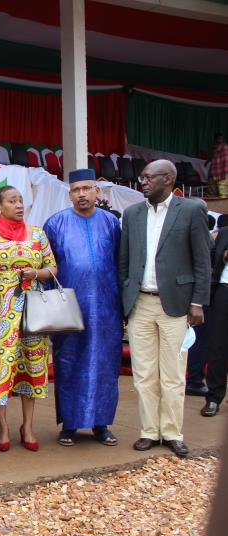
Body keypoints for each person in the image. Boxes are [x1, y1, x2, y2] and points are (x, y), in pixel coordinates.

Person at [119, 159, 211, 457]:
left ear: (168, 179)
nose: (142, 182)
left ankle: (172, 433)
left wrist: (197, 302)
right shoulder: (132, 213)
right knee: (144, 373)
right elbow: (124, 262)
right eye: (142, 177)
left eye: (148, 177)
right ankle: (149, 431)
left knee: (172, 374)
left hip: (177, 304)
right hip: (140, 303)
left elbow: (202, 261)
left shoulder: (191, 209)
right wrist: (126, 295)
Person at [0, 185, 57, 451]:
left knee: (31, 365)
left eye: (21, 201)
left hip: (32, 310)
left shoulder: (38, 235)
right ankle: (4, 425)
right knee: (1, 366)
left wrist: (36, 273)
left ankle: (28, 426)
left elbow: (52, 267)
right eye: (13, 201)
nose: (19, 205)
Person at [43, 169, 122, 446]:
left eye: (87, 188)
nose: (82, 194)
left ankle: (102, 424)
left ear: (97, 192)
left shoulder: (111, 223)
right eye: (76, 190)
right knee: (69, 362)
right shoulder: (55, 223)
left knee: (105, 364)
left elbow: (120, 264)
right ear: (70, 194)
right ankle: (69, 424)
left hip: (106, 307)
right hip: (69, 307)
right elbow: (48, 268)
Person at [202, 225, 228, 416]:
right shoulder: (223, 233)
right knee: (218, 346)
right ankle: (213, 397)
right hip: (223, 290)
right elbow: (209, 260)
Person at [207, 133, 227, 198]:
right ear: (215, 139)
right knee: (212, 194)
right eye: (218, 138)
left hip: (222, 172)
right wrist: (206, 162)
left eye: (221, 138)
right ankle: (213, 207)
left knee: (223, 194)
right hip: (213, 172)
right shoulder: (213, 147)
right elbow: (212, 157)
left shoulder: (225, 147)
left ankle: (224, 208)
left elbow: (226, 160)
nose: (220, 140)